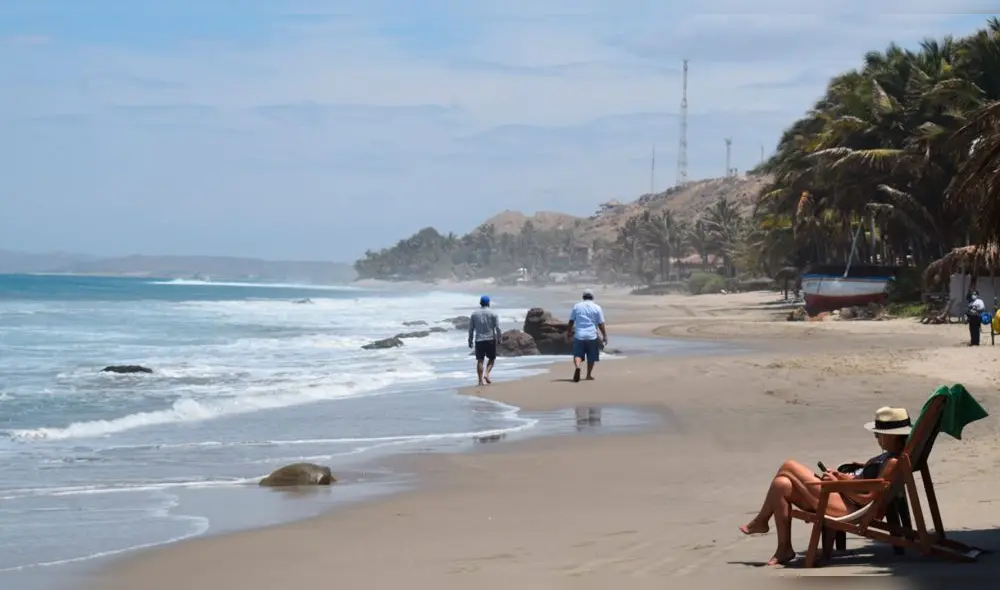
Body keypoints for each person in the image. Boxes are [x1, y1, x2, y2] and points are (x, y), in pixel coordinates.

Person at [738, 406, 911, 566]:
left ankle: (761, 521)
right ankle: (784, 549)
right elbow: (867, 485)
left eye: (878, 433)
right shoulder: (888, 456)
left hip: (850, 508)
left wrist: (838, 484)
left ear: (893, 435)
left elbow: (868, 498)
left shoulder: (893, 462)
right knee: (781, 484)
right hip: (844, 498)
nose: (876, 437)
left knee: (788, 466)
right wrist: (842, 477)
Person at [566, 289, 607, 382]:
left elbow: (571, 321)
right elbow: (601, 323)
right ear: (592, 297)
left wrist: (568, 333)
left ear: (583, 297)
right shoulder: (597, 307)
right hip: (592, 335)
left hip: (579, 335)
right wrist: (605, 335)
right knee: (591, 356)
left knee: (578, 355)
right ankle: (588, 375)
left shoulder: (577, 306)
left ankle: (577, 367)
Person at [468, 295, 502, 386]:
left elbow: (471, 329)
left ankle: (480, 381)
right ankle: (487, 374)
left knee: (480, 360)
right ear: (488, 303)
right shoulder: (493, 313)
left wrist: (470, 340)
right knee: (491, 358)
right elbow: (498, 328)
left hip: (479, 340)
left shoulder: (474, 314)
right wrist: (499, 338)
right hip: (490, 339)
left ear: (480, 303)